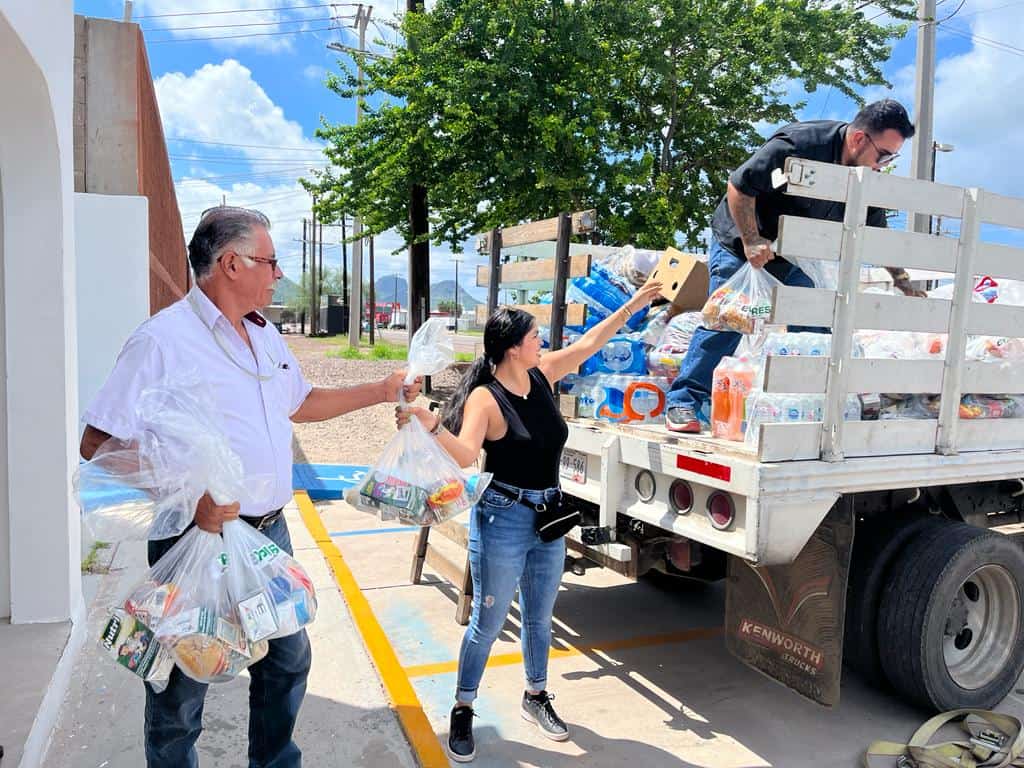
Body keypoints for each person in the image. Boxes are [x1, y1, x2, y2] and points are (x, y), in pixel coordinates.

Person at [79, 206, 421, 768]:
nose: (278, 274)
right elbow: (99, 444)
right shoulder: (162, 341)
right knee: (184, 681)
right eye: (270, 261)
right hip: (196, 540)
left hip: (268, 537)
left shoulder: (265, 338)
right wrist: (191, 498)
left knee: (287, 658)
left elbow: (302, 403)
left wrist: (380, 390)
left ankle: (273, 762)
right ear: (231, 263)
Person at [398, 278, 662, 762]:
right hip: (502, 518)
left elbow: (590, 343)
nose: (543, 342)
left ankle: (535, 696)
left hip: (549, 516)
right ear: (514, 349)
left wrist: (635, 304)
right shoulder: (485, 397)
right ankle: (463, 706)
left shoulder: (542, 375)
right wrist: (431, 423)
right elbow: (464, 456)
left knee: (540, 617)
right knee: (487, 620)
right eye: (535, 336)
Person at [664, 98, 924, 433]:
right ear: (859, 139)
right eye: (884, 155)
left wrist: (901, 280)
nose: (883, 165)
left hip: (785, 254)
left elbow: (877, 236)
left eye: (893, 158)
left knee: (814, 314)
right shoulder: (800, 145)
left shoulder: (862, 180)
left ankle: (812, 402)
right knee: (728, 318)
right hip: (739, 241)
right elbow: (739, 186)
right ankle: (684, 400)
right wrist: (751, 240)